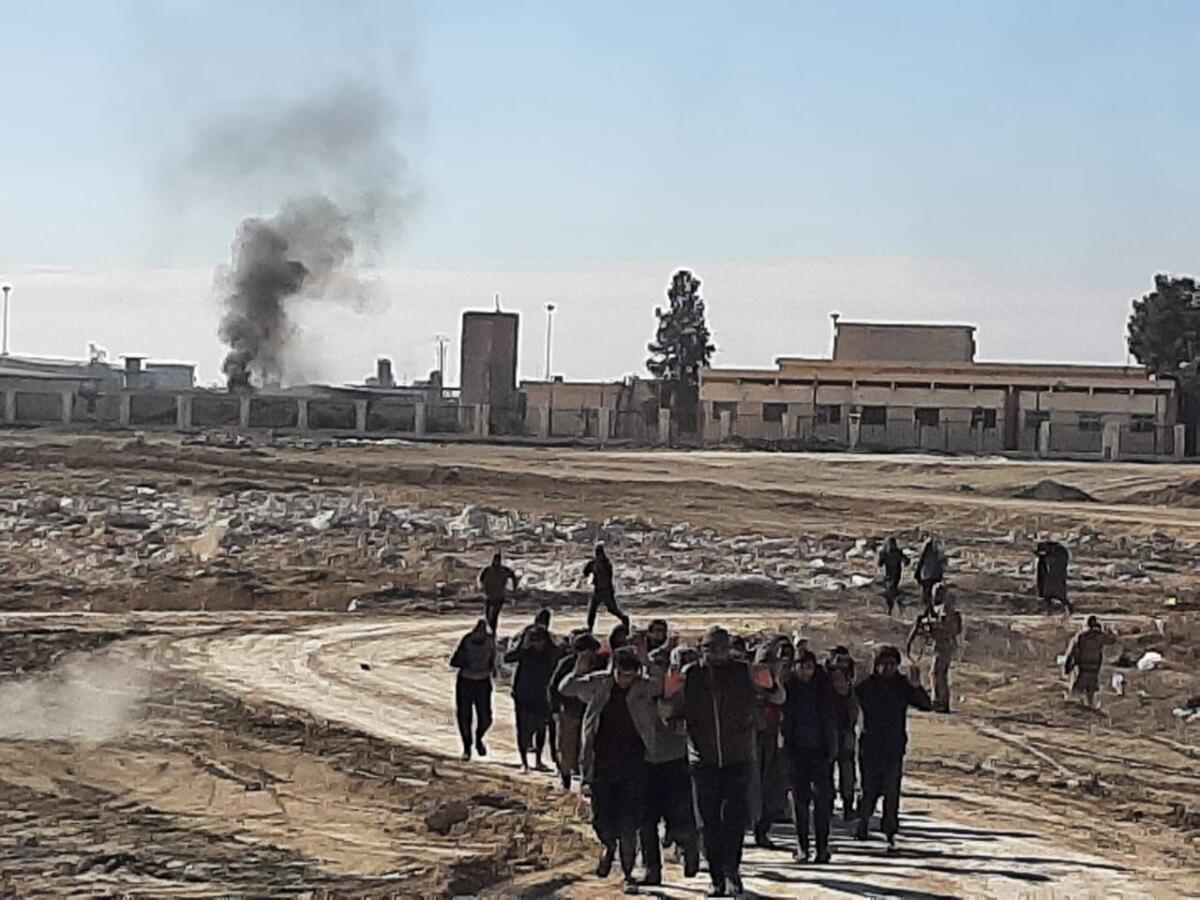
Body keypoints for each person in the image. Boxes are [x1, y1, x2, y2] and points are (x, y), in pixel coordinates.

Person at [663, 625, 783, 898]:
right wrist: (669, 696)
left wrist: (771, 684)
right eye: (708, 648)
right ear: (701, 650)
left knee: (734, 820)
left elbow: (777, 698)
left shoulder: (743, 671)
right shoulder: (691, 674)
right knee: (708, 823)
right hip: (702, 759)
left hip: (737, 757)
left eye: (719, 647)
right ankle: (716, 877)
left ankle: (732, 873)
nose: (714, 653)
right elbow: (670, 713)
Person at [559, 646, 659, 893]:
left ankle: (627, 873)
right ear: (613, 670)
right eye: (623, 674)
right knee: (601, 818)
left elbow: (662, 685)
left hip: (634, 764)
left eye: (631, 675)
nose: (627, 680)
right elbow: (566, 689)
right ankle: (608, 846)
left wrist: (648, 662)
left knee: (629, 823)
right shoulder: (599, 684)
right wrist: (577, 671)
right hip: (601, 763)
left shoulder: (642, 686)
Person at [638, 624, 700, 885]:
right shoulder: (647, 682)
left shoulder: (688, 688)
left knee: (678, 815)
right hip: (645, 757)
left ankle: (688, 846)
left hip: (675, 757)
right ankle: (652, 869)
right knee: (645, 819)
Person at [854, 645, 932, 852]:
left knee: (891, 792)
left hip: (894, 747)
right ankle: (863, 822)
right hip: (869, 747)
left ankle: (890, 833)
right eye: (884, 664)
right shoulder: (866, 687)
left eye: (892, 664)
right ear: (876, 665)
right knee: (869, 789)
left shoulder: (902, 686)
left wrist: (916, 686)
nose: (888, 668)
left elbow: (926, 705)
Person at [782, 649, 836, 864]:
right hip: (796, 751)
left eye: (810, 667)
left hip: (820, 752)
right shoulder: (789, 689)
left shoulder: (824, 688)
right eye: (802, 667)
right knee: (800, 802)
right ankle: (802, 846)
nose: (806, 672)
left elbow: (836, 716)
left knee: (823, 801)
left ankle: (822, 847)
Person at [752, 635, 793, 849]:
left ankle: (763, 830)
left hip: (774, 741)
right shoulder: (748, 684)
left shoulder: (781, 684)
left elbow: (779, 698)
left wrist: (774, 679)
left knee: (773, 788)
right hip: (752, 742)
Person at [503, 620, 561, 772]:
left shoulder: (551, 653)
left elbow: (561, 654)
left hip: (543, 695)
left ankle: (539, 760)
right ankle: (524, 762)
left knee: (541, 729)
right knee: (523, 728)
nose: (538, 644)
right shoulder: (524, 652)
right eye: (534, 640)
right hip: (523, 695)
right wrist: (523, 646)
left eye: (540, 640)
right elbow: (507, 658)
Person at [549, 630, 602, 789]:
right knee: (567, 747)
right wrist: (555, 710)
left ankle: (586, 779)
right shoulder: (566, 663)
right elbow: (554, 687)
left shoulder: (599, 664)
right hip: (569, 712)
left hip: (590, 712)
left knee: (589, 748)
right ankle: (565, 778)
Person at [448, 618, 497, 761]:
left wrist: (493, 670)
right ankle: (467, 748)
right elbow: (454, 660)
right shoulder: (467, 640)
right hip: (466, 680)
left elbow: (493, 659)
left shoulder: (490, 641)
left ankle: (479, 738)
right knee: (464, 716)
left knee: (486, 717)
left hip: (483, 681)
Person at [914, 584, 963, 713]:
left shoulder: (946, 609)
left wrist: (931, 626)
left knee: (938, 673)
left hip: (944, 644)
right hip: (941, 643)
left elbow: (948, 628)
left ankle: (940, 701)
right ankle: (940, 700)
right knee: (937, 673)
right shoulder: (939, 608)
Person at [826, 648, 860, 818]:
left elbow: (854, 711)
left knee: (847, 771)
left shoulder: (851, 686)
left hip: (845, 732)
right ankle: (828, 803)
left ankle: (848, 804)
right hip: (827, 732)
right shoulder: (823, 685)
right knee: (826, 770)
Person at [1063, 615, 1117, 709]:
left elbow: (1072, 652)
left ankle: (1074, 709)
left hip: (1082, 668)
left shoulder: (1081, 636)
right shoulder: (1100, 636)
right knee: (1091, 692)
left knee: (1076, 691)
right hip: (1094, 668)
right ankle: (1090, 707)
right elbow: (1112, 640)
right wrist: (1108, 630)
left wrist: (1067, 666)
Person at [584, 545, 630, 633]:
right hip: (598, 590)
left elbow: (608, 578)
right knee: (592, 611)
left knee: (612, 609)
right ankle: (590, 630)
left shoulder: (606, 564)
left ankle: (625, 620)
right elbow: (586, 572)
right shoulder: (594, 564)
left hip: (606, 591)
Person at [478, 552, 519, 633]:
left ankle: (492, 632)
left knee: (494, 616)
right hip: (489, 596)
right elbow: (481, 579)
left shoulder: (504, 570)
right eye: (495, 560)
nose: (496, 562)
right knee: (487, 616)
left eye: (498, 560)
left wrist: (514, 589)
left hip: (499, 597)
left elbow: (513, 576)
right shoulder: (487, 570)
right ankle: (489, 631)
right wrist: (482, 588)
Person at [1035, 540, 1072, 613]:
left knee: (1056, 591)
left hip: (1056, 573)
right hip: (1052, 575)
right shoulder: (1046, 558)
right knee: (1049, 591)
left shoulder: (1058, 553)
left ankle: (1063, 608)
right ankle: (1049, 609)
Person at [877, 537, 909, 615]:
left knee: (890, 591)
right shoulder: (898, 552)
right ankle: (894, 607)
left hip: (888, 574)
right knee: (893, 590)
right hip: (897, 574)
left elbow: (879, 564)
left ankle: (890, 608)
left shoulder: (884, 552)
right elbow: (907, 561)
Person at [914, 538, 946, 612]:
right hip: (934, 576)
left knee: (927, 594)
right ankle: (932, 609)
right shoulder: (937, 553)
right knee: (933, 594)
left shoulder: (924, 555)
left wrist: (917, 574)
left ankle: (928, 610)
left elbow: (920, 564)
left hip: (926, 576)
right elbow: (941, 564)